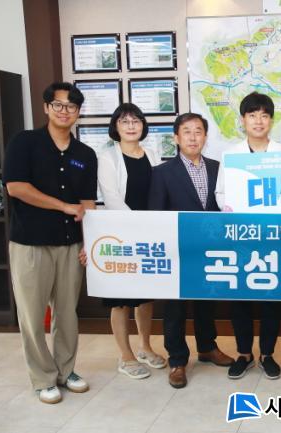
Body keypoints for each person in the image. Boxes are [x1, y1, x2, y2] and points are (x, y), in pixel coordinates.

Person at [3, 82, 96, 404]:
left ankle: (65, 371)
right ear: (46, 108)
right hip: (30, 244)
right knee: (31, 315)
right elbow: (16, 188)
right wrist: (63, 206)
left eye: (71, 106)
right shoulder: (24, 142)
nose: (64, 111)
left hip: (70, 245)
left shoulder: (85, 154)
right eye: (58, 105)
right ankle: (43, 377)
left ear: (78, 112)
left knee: (67, 313)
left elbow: (88, 203)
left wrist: (89, 243)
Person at [148, 113, 235, 389]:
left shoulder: (218, 168)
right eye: (187, 131)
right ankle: (177, 360)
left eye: (198, 131)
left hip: (210, 248)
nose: (193, 137)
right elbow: (155, 214)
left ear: (205, 137)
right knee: (175, 307)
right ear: (176, 137)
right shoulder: (162, 172)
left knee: (207, 301)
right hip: (177, 250)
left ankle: (207, 347)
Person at [215, 92, 281, 380]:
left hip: (273, 238)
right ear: (243, 120)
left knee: (272, 298)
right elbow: (221, 193)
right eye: (253, 115)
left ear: (271, 120)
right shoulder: (231, 155)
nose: (259, 121)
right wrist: (234, 212)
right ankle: (244, 353)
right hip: (241, 238)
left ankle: (267, 354)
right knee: (240, 299)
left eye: (264, 115)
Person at [97, 103, 166, 379]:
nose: (131, 126)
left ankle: (145, 347)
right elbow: (111, 197)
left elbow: (160, 191)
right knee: (121, 299)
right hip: (121, 234)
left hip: (148, 235)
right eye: (124, 121)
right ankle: (125, 356)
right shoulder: (107, 157)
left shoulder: (151, 154)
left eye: (136, 121)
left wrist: (152, 226)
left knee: (145, 296)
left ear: (143, 125)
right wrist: (136, 226)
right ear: (115, 126)